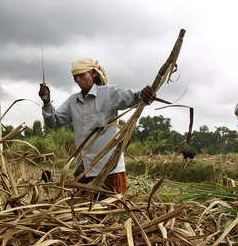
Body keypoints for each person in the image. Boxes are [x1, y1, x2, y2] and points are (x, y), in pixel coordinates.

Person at [38, 58, 154, 199]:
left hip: (110, 170)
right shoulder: (73, 101)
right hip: (84, 172)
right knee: (86, 215)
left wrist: (144, 94)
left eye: (82, 75)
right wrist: (46, 102)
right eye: (75, 77)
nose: (78, 79)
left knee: (111, 214)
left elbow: (133, 97)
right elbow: (53, 122)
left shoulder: (108, 93)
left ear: (93, 74)